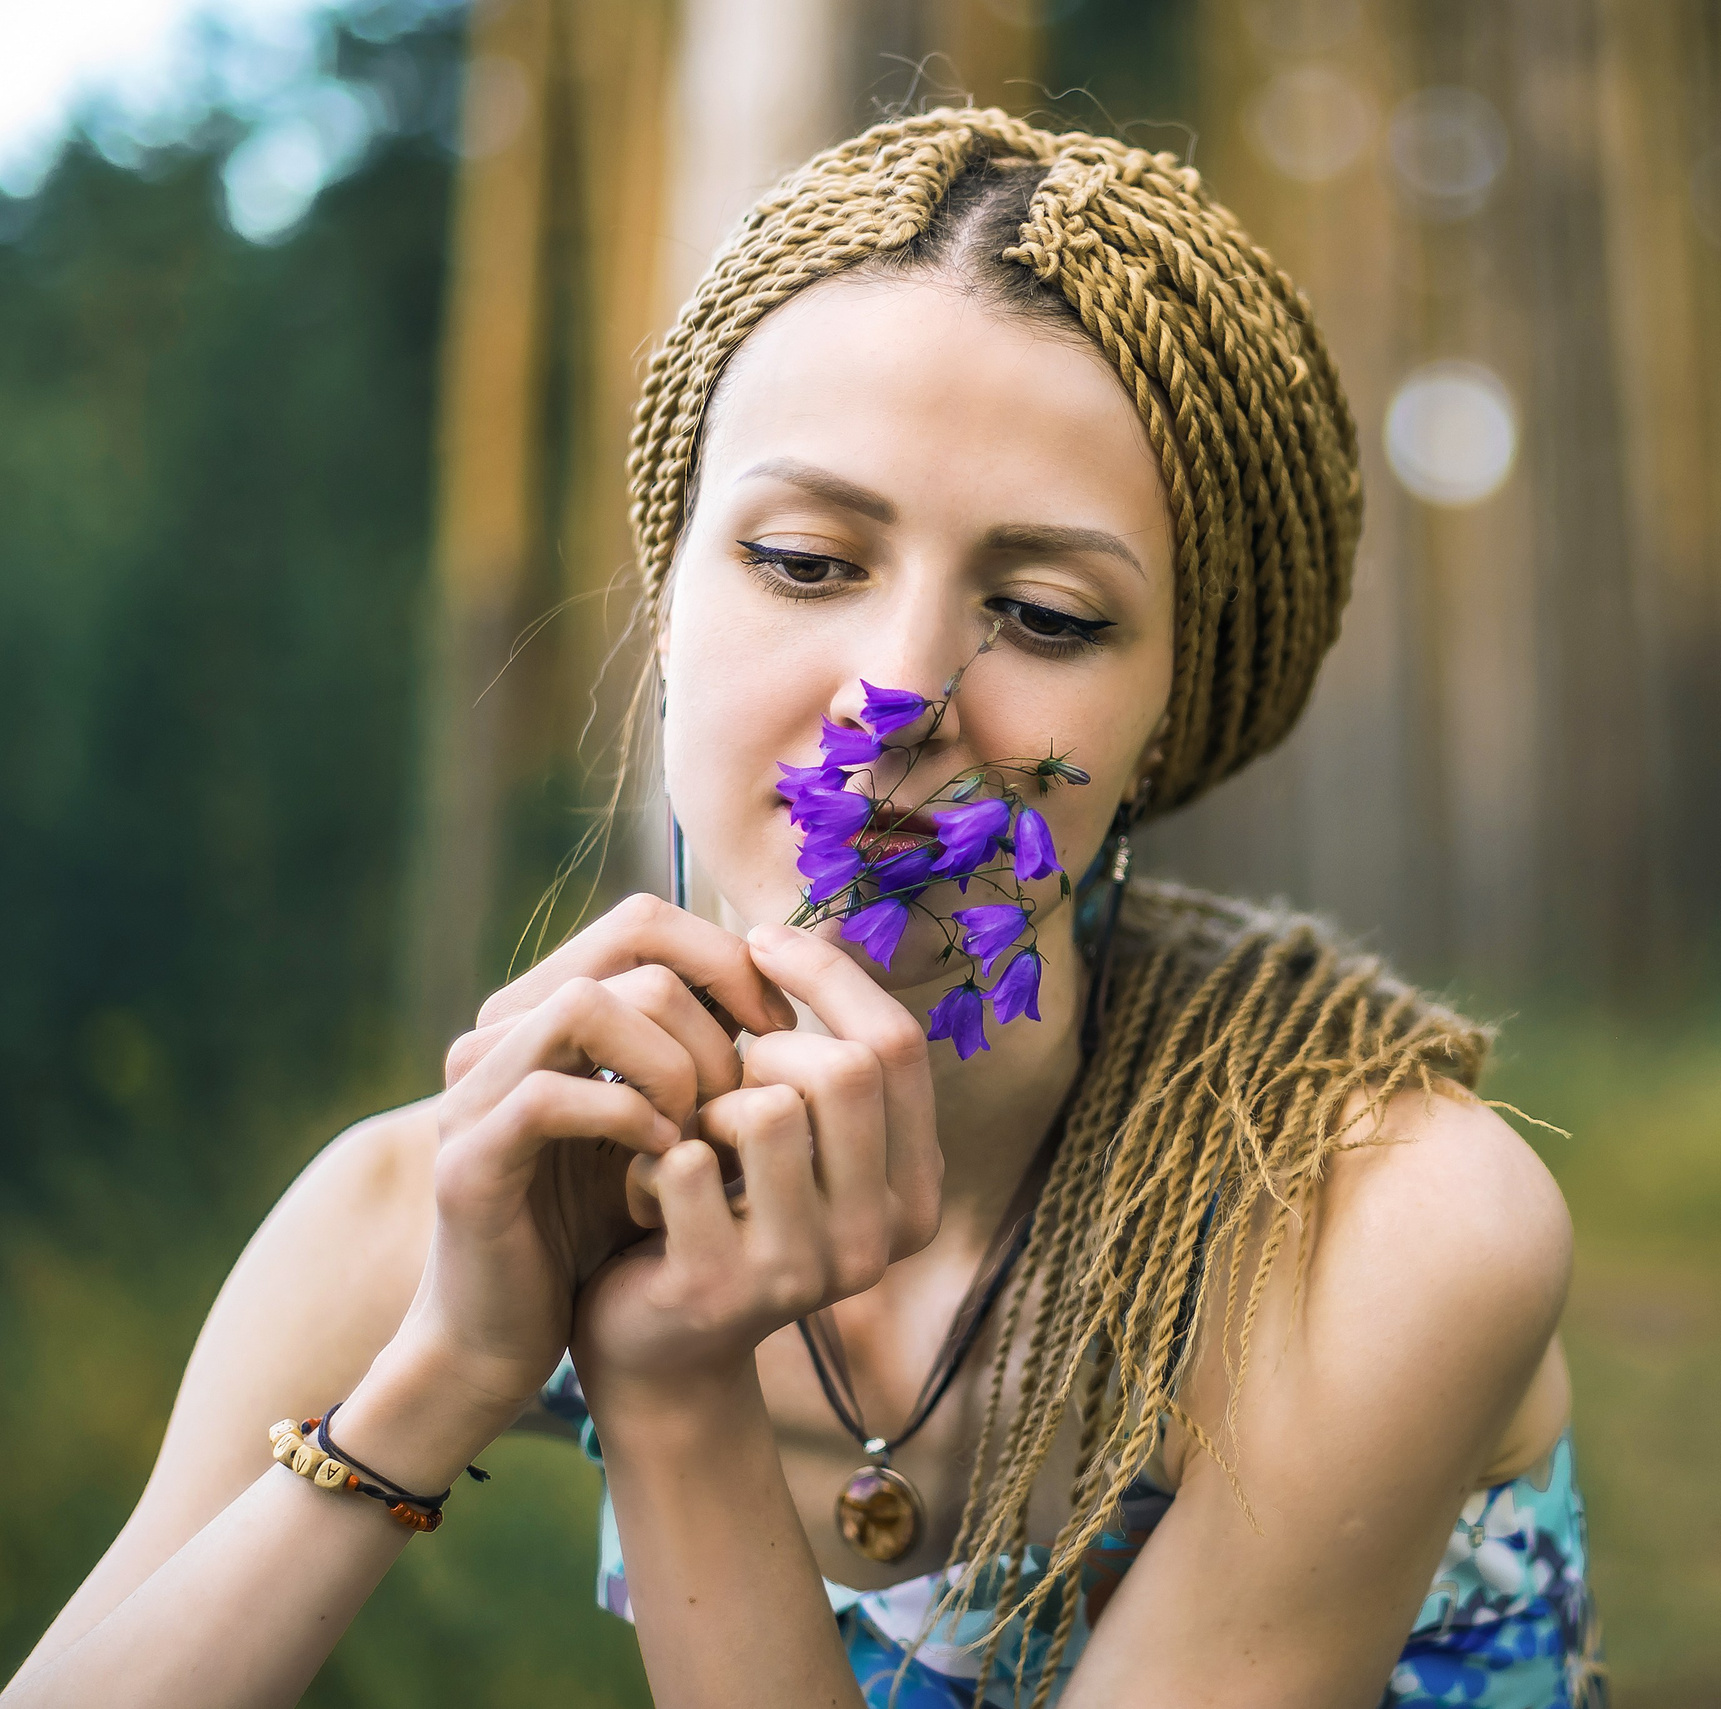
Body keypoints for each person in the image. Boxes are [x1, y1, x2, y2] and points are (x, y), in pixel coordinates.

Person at [5, 108, 1597, 1709]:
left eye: (1045, 613)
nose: (902, 693)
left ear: (1170, 710)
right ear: (672, 602)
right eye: (804, 558)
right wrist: (436, 1380)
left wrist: (675, 1385)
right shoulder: (427, 1210)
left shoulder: (1373, 1225)